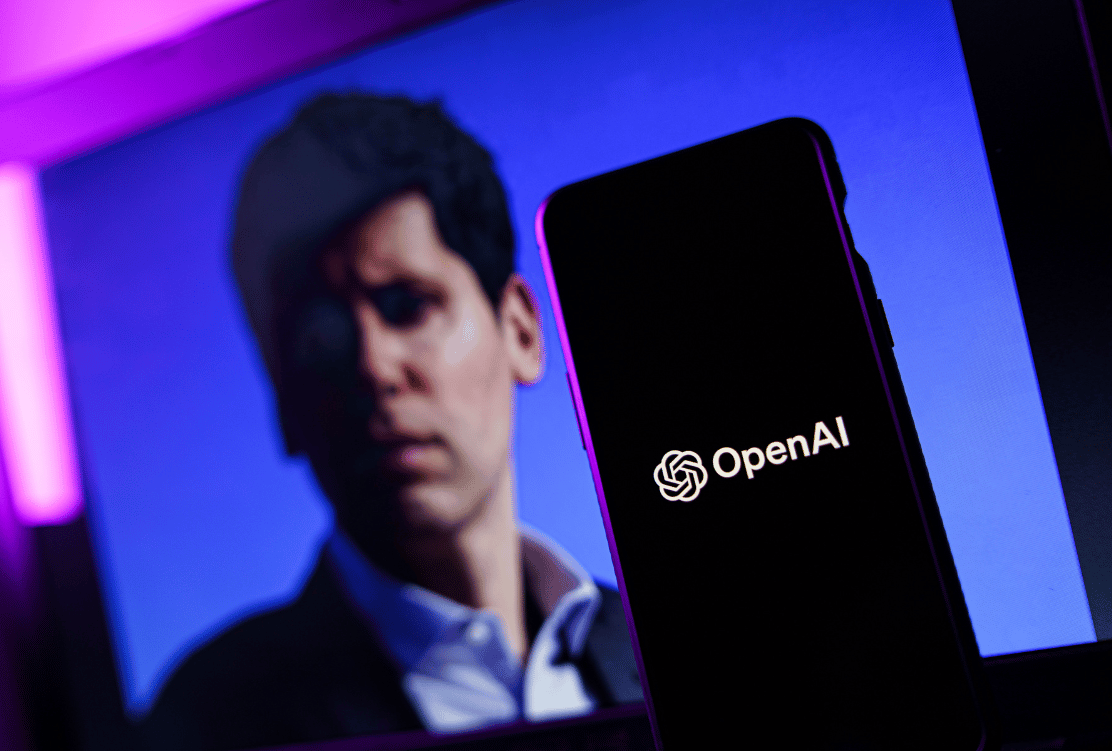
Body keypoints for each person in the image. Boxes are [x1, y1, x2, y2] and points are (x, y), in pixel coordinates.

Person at [139, 94, 642, 751]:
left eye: (408, 305)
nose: (374, 367)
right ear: (281, 398)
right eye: (319, 337)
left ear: (519, 329)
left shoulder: (669, 645)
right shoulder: (204, 724)